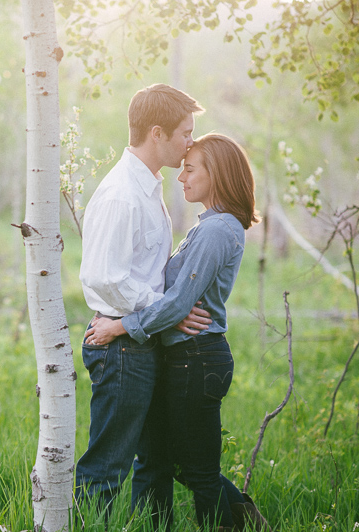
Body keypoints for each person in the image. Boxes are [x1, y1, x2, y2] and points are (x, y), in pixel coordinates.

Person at [85, 133, 271, 531]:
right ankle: (241, 516)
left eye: (190, 169)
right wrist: (169, 311)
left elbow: (178, 302)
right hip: (186, 356)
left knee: (198, 471)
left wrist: (119, 326)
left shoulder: (217, 230)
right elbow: (176, 300)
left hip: (196, 358)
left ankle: (242, 520)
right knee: (170, 461)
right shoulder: (209, 226)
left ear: (216, 174)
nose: (181, 177)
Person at [75, 83, 211, 523]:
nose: (190, 141)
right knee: (106, 468)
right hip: (120, 348)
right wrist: (169, 308)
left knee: (156, 462)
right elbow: (105, 277)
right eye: (185, 132)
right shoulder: (122, 194)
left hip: (141, 339)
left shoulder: (147, 187)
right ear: (157, 133)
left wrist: (163, 311)